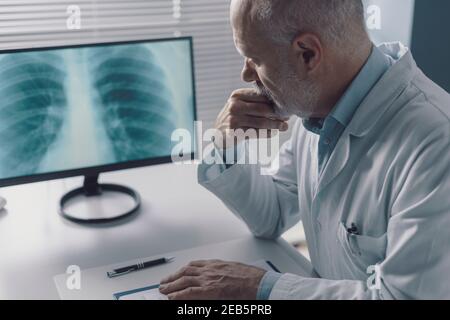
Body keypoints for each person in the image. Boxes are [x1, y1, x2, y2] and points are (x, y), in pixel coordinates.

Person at [159, 0, 450, 299]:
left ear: (307, 54)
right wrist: (224, 145)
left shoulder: (437, 145)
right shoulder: (319, 107)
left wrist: (259, 287)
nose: (247, 75)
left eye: (254, 58)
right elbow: (270, 215)